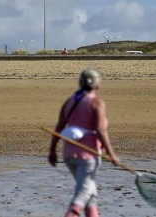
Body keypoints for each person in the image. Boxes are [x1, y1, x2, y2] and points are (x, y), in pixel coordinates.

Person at [48, 67, 120, 217]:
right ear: (97, 85)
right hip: (88, 156)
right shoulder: (96, 103)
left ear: (80, 83)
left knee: (90, 195)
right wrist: (112, 155)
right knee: (84, 193)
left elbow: (59, 128)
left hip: (69, 156)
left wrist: (52, 151)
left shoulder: (69, 102)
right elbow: (100, 131)